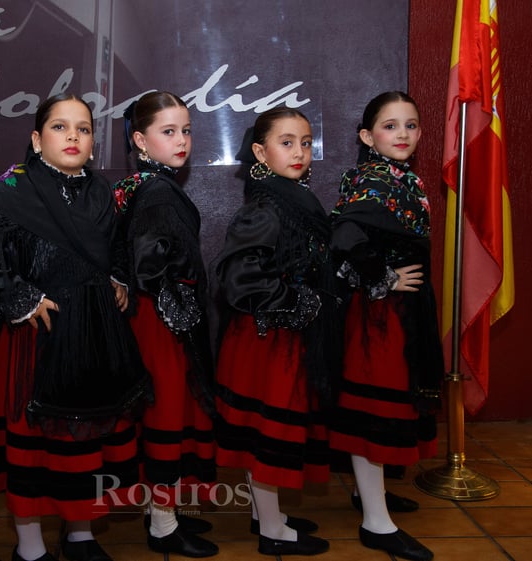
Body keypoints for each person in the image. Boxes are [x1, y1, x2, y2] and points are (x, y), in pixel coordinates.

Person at [0, 93, 151, 561]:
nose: (73, 136)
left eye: (83, 128)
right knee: (36, 451)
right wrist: (17, 294)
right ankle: (31, 546)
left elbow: (118, 245)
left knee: (86, 442)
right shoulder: (15, 186)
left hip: (97, 335)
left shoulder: (102, 190)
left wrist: (118, 277)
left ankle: (80, 534)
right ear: (37, 140)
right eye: (60, 127)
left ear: (94, 143)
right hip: (40, 340)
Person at [213, 108, 340, 557]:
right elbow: (239, 280)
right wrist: (301, 302)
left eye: (305, 142)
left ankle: (267, 516)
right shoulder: (267, 206)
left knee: (261, 433)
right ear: (259, 151)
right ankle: (271, 530)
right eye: (287, 142)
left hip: (276, 338)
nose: (300, 151)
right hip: (267, 340)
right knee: (267, 436)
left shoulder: (289, 198)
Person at [329, 91, 444, 561]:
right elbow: (343, 235)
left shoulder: (401, 177)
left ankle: (367, 495)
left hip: (399, 314)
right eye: (391, 125)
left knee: (387, 409)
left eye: (411, 125)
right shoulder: (374, 179)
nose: (402, 134)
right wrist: (383, 276)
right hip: (379, 318)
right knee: (374, 413)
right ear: (367, 135)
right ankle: (376, 523)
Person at [113, 91, 218, 558]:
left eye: (187, 131)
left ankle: (165, 512)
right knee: (165, 417)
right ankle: (161, 524)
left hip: (153, 318)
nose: (182, 141)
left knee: (166, 416)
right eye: (168, 132)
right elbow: (148, 263)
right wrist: (179, 304)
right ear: (139, 140)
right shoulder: (155, 191)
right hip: (159, 323)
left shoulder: (145, 184)